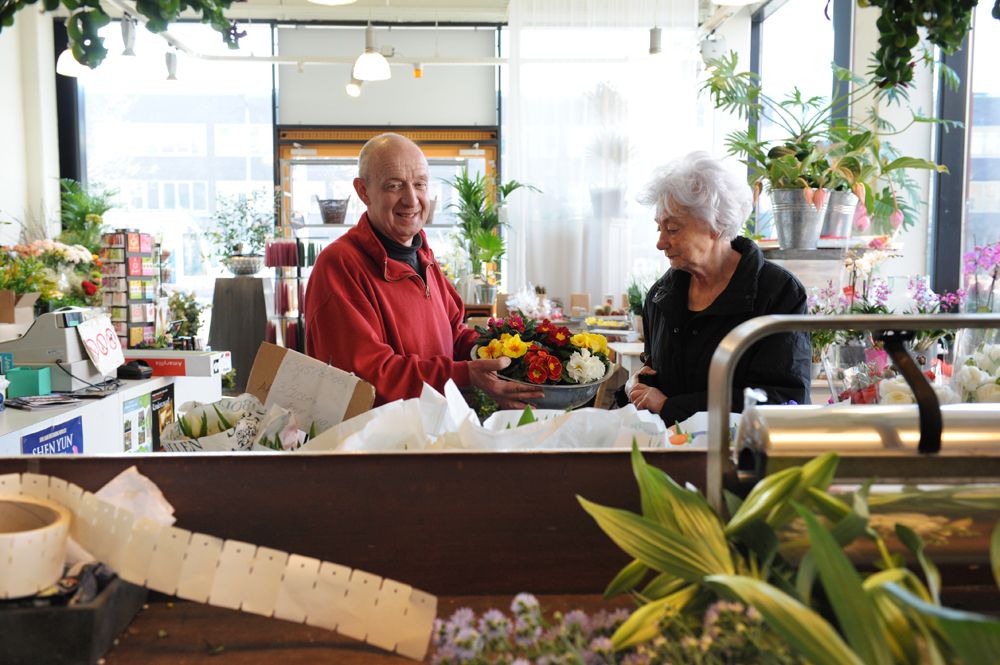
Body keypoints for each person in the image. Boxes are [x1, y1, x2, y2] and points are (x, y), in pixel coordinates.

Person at [304, 133, 543, 408]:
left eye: (420, 184)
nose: (411, 199)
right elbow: (365, 377)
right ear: (363, 191)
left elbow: (454, 334)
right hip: (381, 443)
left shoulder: (423, 256)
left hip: (438, 430)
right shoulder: (339, 265)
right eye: (394, 186)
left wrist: (507, 348)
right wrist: (464, 374)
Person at [627, 151, 810, 424]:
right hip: (668, 455)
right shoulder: (659, 296)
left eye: (673, 229)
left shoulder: (778, 293)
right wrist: (634, 386)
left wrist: (674, 407)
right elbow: (657, 378)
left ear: (716, 226)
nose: (661, 243)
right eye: (659, 228)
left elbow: (784, 397)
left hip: (738, 457)